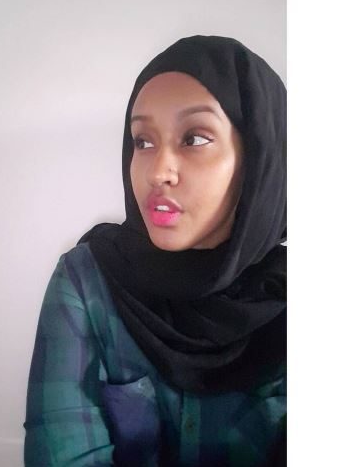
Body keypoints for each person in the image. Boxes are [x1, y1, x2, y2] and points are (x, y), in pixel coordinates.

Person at [23, 35, 287, 467]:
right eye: (143, 141)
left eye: (194, 138)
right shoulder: (88, 280)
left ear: (259, 159)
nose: (156, 171)